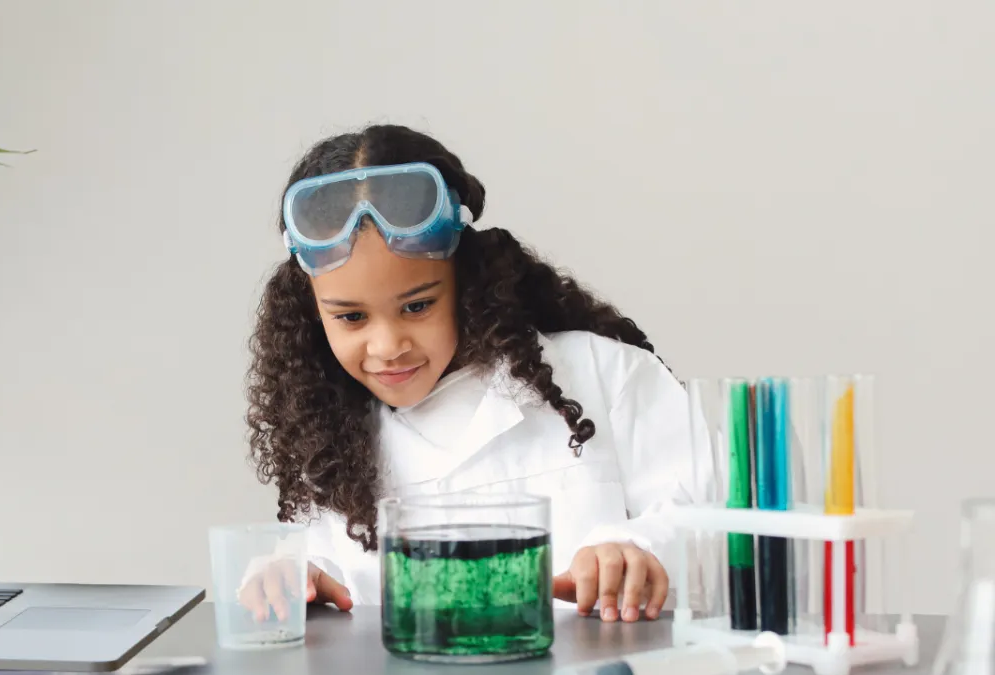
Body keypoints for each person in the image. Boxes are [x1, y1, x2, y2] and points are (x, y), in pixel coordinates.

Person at [243, 124, 712, 624]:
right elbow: (328, 578)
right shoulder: (329, 445)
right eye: (351, 317)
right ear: (314, 311)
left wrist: (636, 547)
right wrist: (292, 575)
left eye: (417, 305)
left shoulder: (604, 374)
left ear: (464, 279)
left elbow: (720, 517)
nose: (387, 346)